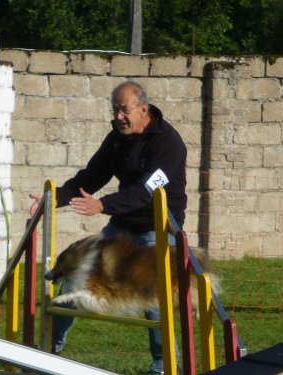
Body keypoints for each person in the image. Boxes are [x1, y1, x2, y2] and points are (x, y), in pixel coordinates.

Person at [30, 81, 187, 374]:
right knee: (79, 277)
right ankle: (48, 350)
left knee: (154, 294)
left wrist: (102, 205)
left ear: (143, 109)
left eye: (124, 110)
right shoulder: (117, 138)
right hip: (123, 225)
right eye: (114, 109)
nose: (118, 117)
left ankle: (165, 365)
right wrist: (55, 198)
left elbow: (146, 191)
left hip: (159, 226)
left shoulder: (169, 145)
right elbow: (92, 175)